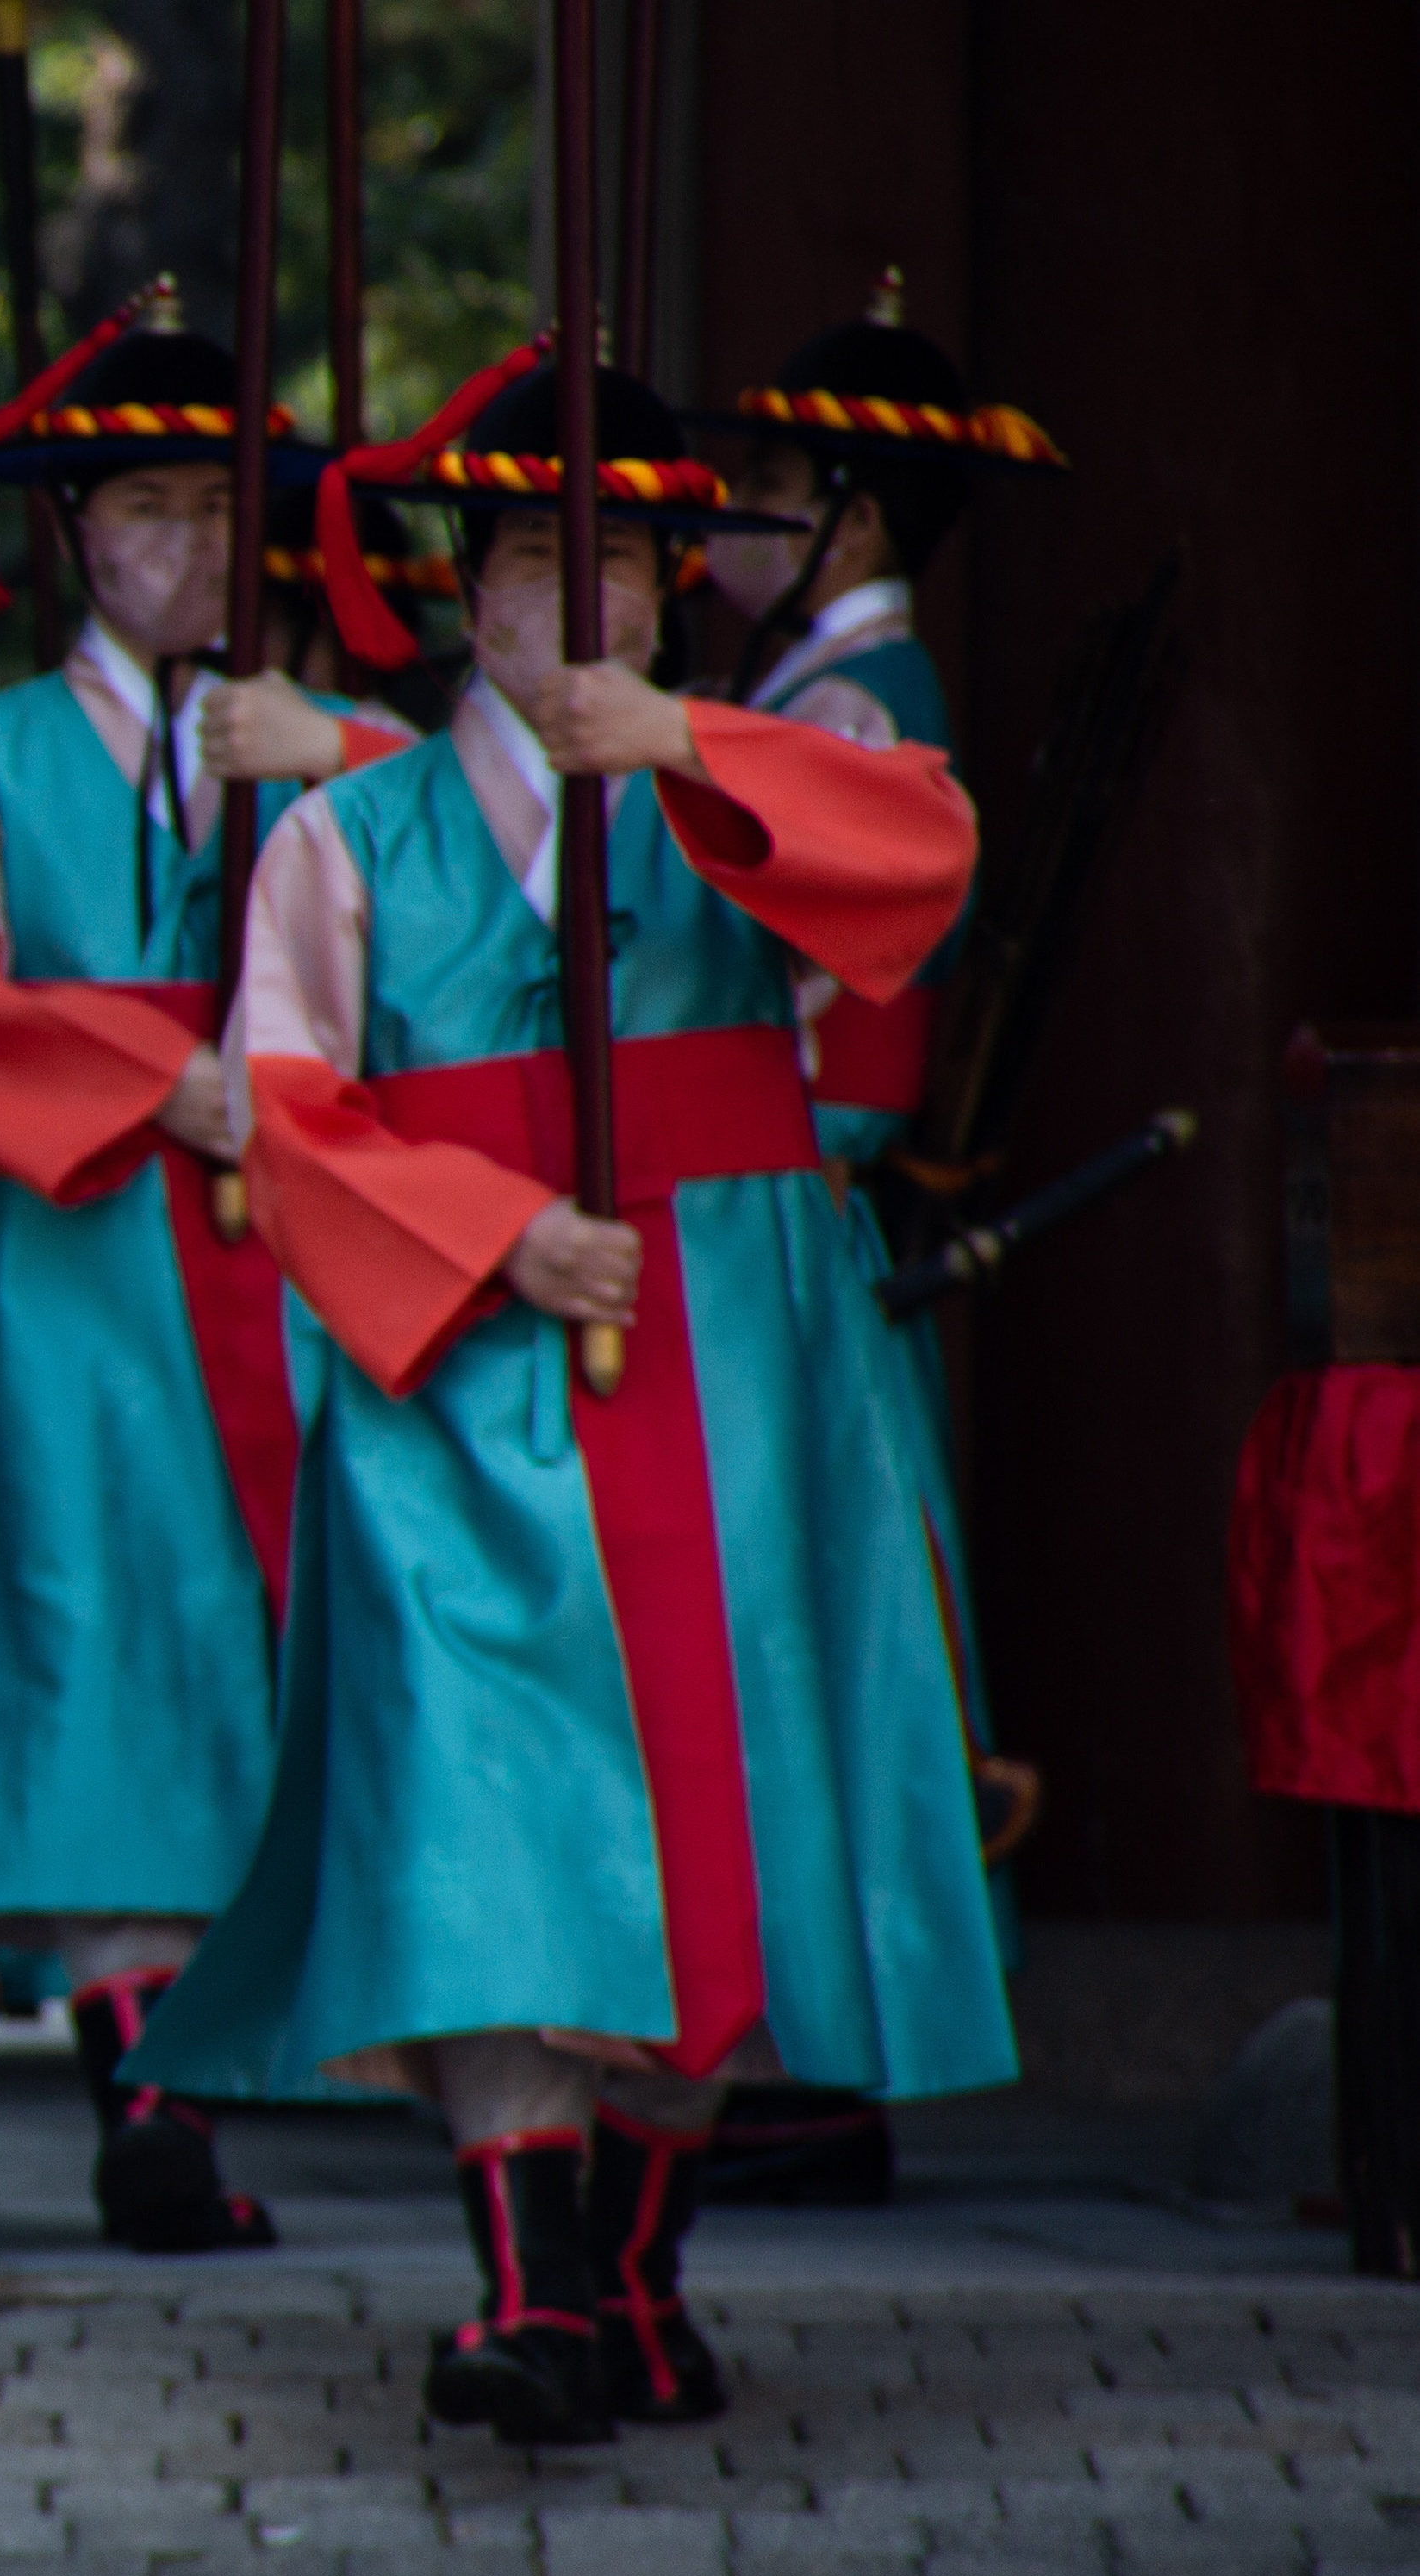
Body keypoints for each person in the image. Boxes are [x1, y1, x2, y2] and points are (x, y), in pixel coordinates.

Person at [126, 350, 1008, 2446]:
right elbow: (281, 1102)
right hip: (456, 1356)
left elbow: (920, 871)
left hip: (729, 1348)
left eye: (621, 568)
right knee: (479, 1802)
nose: (574, 610)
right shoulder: (350, 830)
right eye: (534, 564)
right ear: (464, 591)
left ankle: (626, 2265)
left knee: (732, 1808)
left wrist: (686, 737)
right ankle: (527, 2289)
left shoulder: (758, 772)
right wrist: (497, 1232)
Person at [0, 285, 412, 2254]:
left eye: (222, 513)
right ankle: (140, 2069)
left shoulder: (311, 744)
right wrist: (170, 1074)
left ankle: (213, 2048)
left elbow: (484, 882)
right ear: (76, 532)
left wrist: (336, 741)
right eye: (147, 511)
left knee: (258, 1628)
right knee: (82, 1634)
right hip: (66, 1254)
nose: (191, 552)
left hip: (280, 1242)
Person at [682, 270, 1074, 2211]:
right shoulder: (810, 691)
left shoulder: (838, 706)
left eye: (765, 480)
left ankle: (816, 2071)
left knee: (805, 1636)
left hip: (787, 1200)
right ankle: (798, 2058)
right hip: (788, 1203)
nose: (732, 512)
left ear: (846, 509)